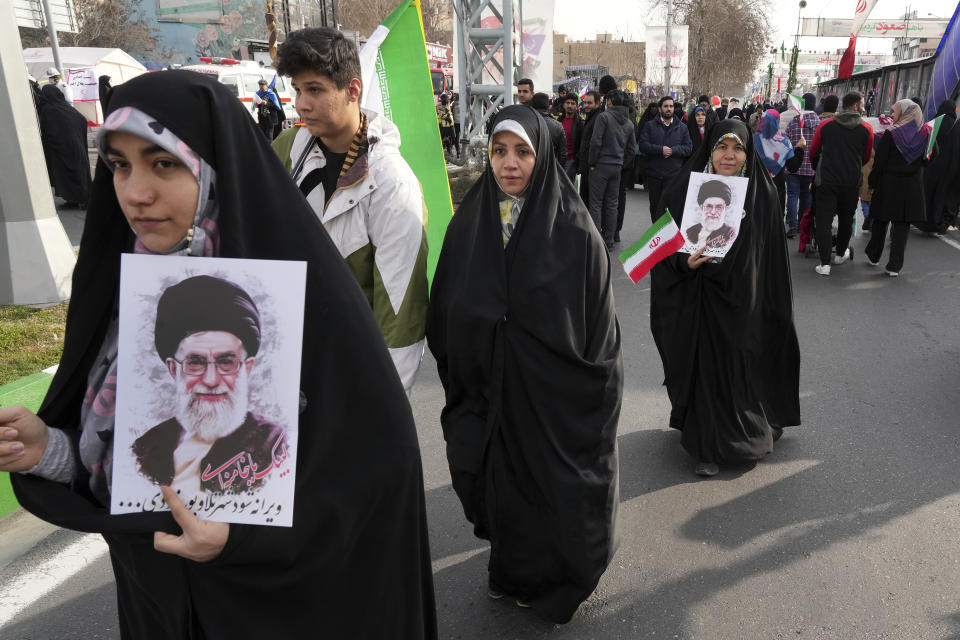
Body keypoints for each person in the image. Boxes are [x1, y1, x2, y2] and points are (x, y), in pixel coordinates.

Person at [1, 69, 437, 638]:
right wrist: (51, 451)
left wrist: (244, 537)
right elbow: (120, 462)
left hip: (272, 608)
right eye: (119, 164)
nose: (135, 191)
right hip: (156, 599)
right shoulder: (122, 297)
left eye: (164, 163)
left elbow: (379, 472)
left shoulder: (304, 300)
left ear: (214, 165)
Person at [426, 104, 621, 624]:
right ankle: (509, 569)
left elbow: (600, 335)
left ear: (545, 156)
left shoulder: (578, 235)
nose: (509, 164)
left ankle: (556, 582)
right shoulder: (469, 227)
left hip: (553, 401)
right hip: (488, 394)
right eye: (498, 151)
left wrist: (587, 398)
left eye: (522, 152)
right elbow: (444, 309)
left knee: (552, 492)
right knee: (496, 487)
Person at [271, 27, 428, 394]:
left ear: (353, 90)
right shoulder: (287, 148)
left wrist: (382, 410)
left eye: (314, 90)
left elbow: (401, 316)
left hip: (351, 376)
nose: (301, 104)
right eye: (297, 90)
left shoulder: (394, 186)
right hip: (287, 366)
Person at [650, 119, 801, 477]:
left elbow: (773, 259)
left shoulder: (762, 192)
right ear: (710, 149)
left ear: (748, 154)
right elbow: (656, 246)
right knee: (703, 368)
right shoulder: (682, 189)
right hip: (698, 300)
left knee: (740, 367)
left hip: (744, 303)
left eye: (737, 149)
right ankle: (704, 447)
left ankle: (741, 433)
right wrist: (682, 262)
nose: (729, 156)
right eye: (722, 147)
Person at [131, 275, 285, 494]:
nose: (211, 380)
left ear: (247, 368)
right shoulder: (144, 450)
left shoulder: (274, 445)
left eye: (226, 362)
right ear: (173, 369)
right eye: (195, 362)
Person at [808, 90, 873, 275]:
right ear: (854, 106)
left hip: (827, 179)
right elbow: (866, 156)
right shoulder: (866, 129)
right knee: (846, 218)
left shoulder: (826, 125)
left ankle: (824, 263)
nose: (863, 108)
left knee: (823, 220)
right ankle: (839, 255)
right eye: (861, 105)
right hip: (851, 181)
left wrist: (818, 167)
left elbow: (814, 151)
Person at [864, 99, 932, 276]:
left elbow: (879, 163)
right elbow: (932, 155)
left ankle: (874, 255)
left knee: (881, 220)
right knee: (902, 226)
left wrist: (872, 183)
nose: (892, 115)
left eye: (895, 112)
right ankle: (894, 266)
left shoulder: (892, 134)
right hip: (911, 187)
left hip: (889, 184)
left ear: (905, 113)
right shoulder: (925, 133)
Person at [588, 89, 635, 248]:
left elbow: (595, 142)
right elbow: (631, 150)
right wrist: (622, 163)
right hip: (617, 167)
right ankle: (609, 240)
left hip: (601, 165)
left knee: (595, 204)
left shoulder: (604, 117)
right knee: (612, 205)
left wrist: (592, 163)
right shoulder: (628, 123)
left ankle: (596, 241)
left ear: (610, 102)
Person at [638, 95, 693, 221]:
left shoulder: (682, 127)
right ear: (659, 109)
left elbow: (688, 148)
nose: (669, 109)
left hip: (673, 175)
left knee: (671, 208)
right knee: (655, 207)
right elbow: (643, 146)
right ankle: (656, 236)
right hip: (654, 175)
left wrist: (673, 150)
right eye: (666, 106)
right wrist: (660, 150)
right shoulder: (649, 126)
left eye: (671, 106)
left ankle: (668, 238)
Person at [38, 84, 91, 208]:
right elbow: (82, 120)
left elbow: (47, 129)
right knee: (75, 173)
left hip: (62, 148)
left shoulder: (49, 109)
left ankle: (82, 200)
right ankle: (74, 200)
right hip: (76, 146)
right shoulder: (66, 107)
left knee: (68, 175)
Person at [916, 99, 960, 234]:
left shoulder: (933, 123)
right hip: (949, 168)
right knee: (942, 195)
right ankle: (938, 223)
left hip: (931, 166)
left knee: (928, 194)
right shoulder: (957, 126)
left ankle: (923, 221)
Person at [754, 109, 805, 223]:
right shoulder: (784, 141)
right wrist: (800, 148)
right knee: (774, 222)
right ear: (777, 122)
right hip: (776, 188)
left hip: (756, 186)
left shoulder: (754, 139)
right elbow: (793, 167)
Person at [784, 93, 820, 238]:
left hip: (793, 166)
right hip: (811, 168)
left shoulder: (794, 123)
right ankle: (802, 223)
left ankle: (792, 225)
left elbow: (785, 141)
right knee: (806, 197)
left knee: (792, 195)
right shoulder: (819, 124)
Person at [684, 179, 737, 249]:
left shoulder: (730, 234)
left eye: (719, 207)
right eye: (709, 206)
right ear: (701, 207)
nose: (713, 212)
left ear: (726, 208)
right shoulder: (689, 232)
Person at [576, 90, 602, 205]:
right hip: (587, 165)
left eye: (589, 103)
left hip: (592, 167)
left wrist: (592, 164)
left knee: (589, 201)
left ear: (597, 103)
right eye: (585, 102)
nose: (586, 105)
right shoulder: (591, 117)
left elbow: (596, 144)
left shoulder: (598, 119)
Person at [530, 91, 567, 163]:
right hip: (550, 167)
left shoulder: (526, 123)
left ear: (532, 105)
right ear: (548, 106)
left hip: (530, 169)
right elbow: (563, 155)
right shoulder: (558, 126)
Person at [559, 93, 583, 182]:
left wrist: (577, 161)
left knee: (567, 189)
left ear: (577, 106)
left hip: (571, 161)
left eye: (573, 103)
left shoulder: (580, 123)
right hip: (558, 161)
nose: (570, 105)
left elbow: (582, 145)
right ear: (564, 105)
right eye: (568, 103)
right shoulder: (558, 121)